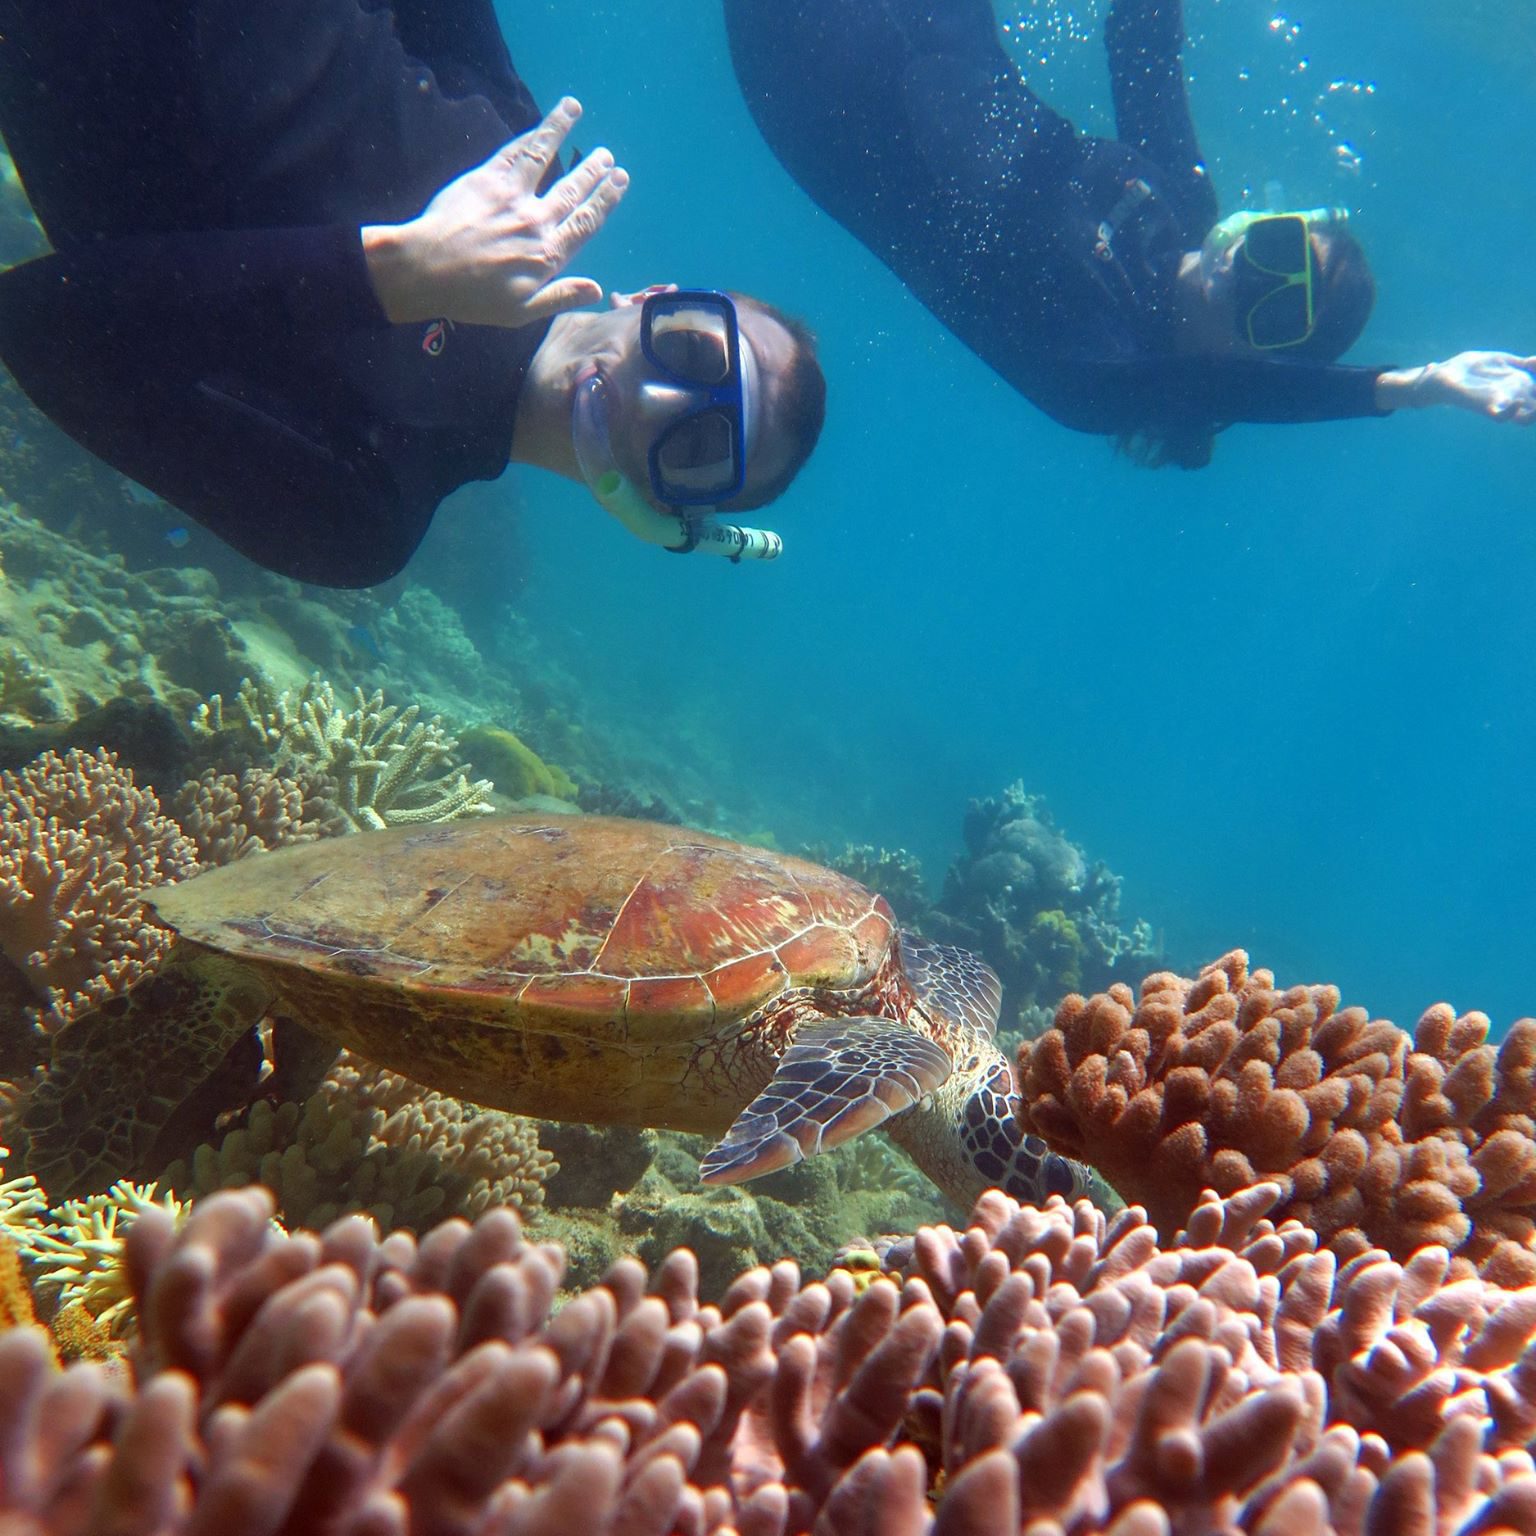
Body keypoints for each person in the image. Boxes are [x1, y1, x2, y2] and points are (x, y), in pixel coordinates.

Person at [0, 0, 826, 586]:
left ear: (660, 508)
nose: (653, 396)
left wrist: (393, 275)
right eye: (687, 349)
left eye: (692, 449)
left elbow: (38, 324)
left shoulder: (362, 515)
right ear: (656, 296)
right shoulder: (538, 175)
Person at [724, 0, 1535, 468]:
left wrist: (1413, 385)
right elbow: (1141, 47)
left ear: (1256, 359)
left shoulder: (1106, 369)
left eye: (1278, 313)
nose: (1251, 278)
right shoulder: (1184, 204)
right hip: (938, 33)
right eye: (1278, 254)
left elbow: (1232, 395)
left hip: (827, 102)